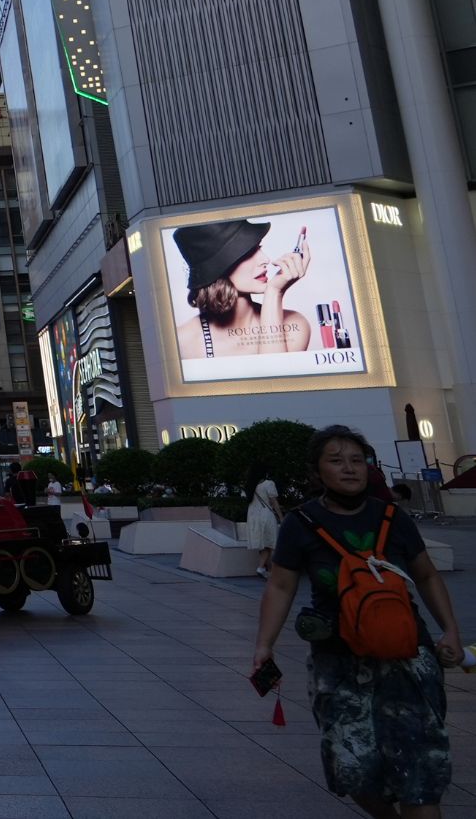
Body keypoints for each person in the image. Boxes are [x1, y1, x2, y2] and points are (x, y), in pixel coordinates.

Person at [254, 424, 464, 819]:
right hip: (338, 662)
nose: (349, 468)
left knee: (421, 773)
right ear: (317, 473)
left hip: (408, 657)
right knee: (350, 767)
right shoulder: (300, 523)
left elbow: (427, 575)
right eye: (336, 461)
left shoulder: (392, 517)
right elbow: (280, 587)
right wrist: (264, 645)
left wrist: (450, 629)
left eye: (357, 460)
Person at [174, 217, 313, 360]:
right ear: (217, 269)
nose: (265, 259)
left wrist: (274, 293)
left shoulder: (293, 325)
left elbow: (275, 379)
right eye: (247, 253)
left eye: (258, 248)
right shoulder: (182, 342)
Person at [245, 478, 283, 579]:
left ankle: (267, 571)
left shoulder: (250, 485)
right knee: (271, 543)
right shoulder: (268, 483)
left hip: (253, 516)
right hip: (266, 515)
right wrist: (281, 517)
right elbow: (274, 502)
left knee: (264, 544)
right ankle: (264, 569)